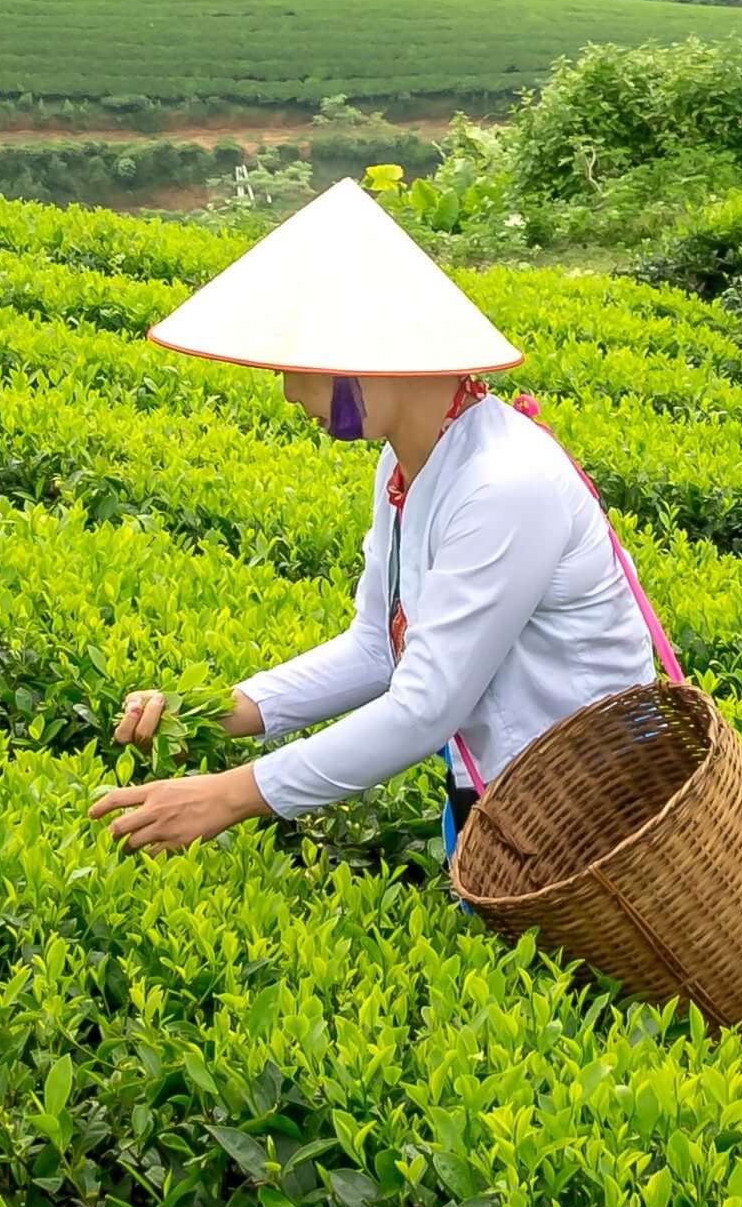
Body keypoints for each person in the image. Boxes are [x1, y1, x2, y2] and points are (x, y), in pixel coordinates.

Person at [93, 176, 667, 865]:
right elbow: (377, 647)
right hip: (501, 796)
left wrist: (231, 796)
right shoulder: (407, 467)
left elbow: (425, 707)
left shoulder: (504, 484)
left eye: (305, 367)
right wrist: (216, 709)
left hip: (598, 816)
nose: (290, 392)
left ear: (381, 357)